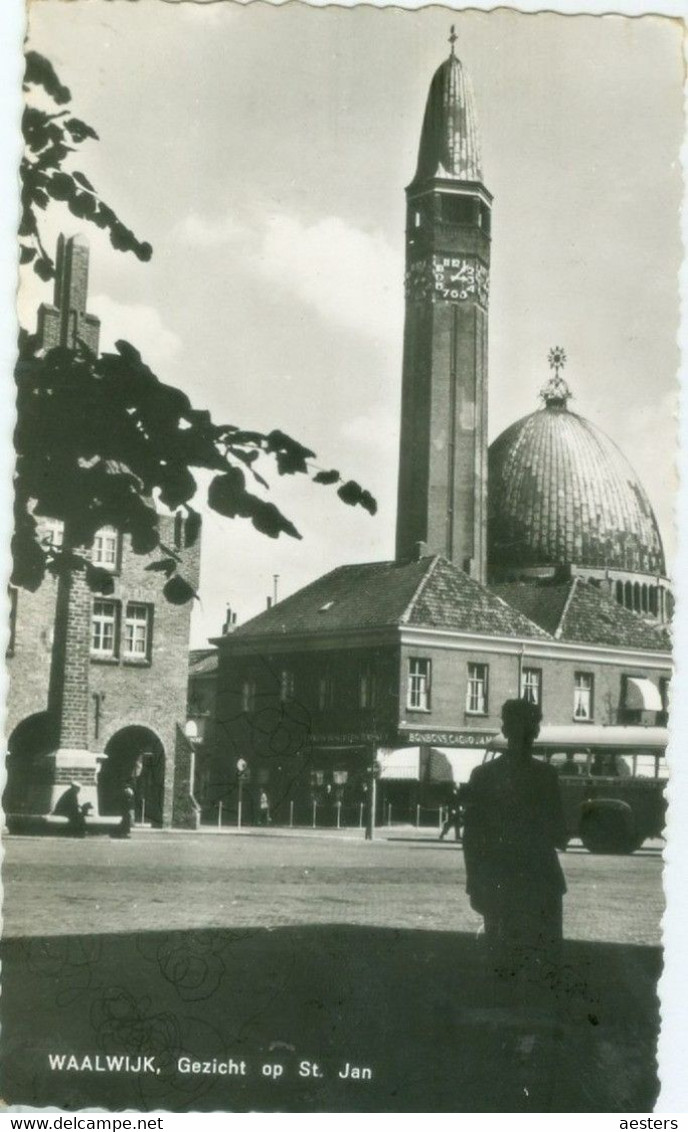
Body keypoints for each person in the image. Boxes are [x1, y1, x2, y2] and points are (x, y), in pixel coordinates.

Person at [462, 699, 568, 995]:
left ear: (504, 730)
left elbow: (472, 837)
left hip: (500, 878)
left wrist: (474, 882)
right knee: (543, 965)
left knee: (502, 964)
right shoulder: (546, 776)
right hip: (540, 879)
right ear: (536, 731)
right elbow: (559, 832)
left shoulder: (482, 776)